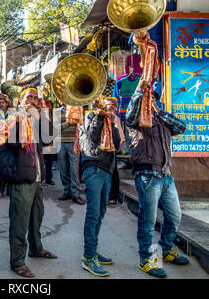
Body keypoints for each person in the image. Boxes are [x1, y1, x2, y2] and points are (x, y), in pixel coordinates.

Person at [126, 79, 188, 278]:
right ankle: (146, 259)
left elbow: (181, 127)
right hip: (147, 176)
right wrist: (140, 92)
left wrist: (158, 110)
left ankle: (167, 248)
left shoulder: (162, 119)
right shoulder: (137, 121)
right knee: (148, 220)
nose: (149, 100)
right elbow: (130, 114)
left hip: (166, 176)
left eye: (152, 98)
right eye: (147, 98)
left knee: (175, 216)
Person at [0, 87, 57, 278]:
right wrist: (24, 116)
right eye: (28, 98)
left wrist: (40, 117)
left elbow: (49, 139)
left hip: (36, 177)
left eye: (35, 98)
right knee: (19, 221)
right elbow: (13, 143)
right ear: (20, 101)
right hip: (21, 177)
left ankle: (36, 248)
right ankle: (17, 261)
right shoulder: (13, 118)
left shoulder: (36, 119)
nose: (32, 100)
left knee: (36, 217)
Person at [79, 97, 121, 277]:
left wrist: (112, 122)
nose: (111, 109)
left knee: (100, 213)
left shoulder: (113, 121)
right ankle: (88, 257)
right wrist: (100, 115)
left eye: (114, 108)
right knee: (93, 213)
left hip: (107, 169)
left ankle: (92, 250)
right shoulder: (90, 115)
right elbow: (92, 137)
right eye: (109, 106)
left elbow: (117, 145)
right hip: (94, 167)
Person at [57, 104, 85, 205]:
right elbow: (55, 128)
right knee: (63, 169)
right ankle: (67, 191)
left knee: (74, 169)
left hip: (74, 142)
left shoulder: (77, 109)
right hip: (60, 142)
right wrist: (69, 123)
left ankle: (75, 193)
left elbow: (81, 125)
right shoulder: (57, 111)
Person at [42, 99, 55, 187]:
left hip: (49, 142)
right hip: (41, 143)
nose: (48, 107)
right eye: (47, 106)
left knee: (49, 162)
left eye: (50, 106)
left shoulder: (52, 115)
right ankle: (41, 179)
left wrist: (51, 142)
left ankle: (48, 179)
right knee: (41, 162)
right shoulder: (40, 116)